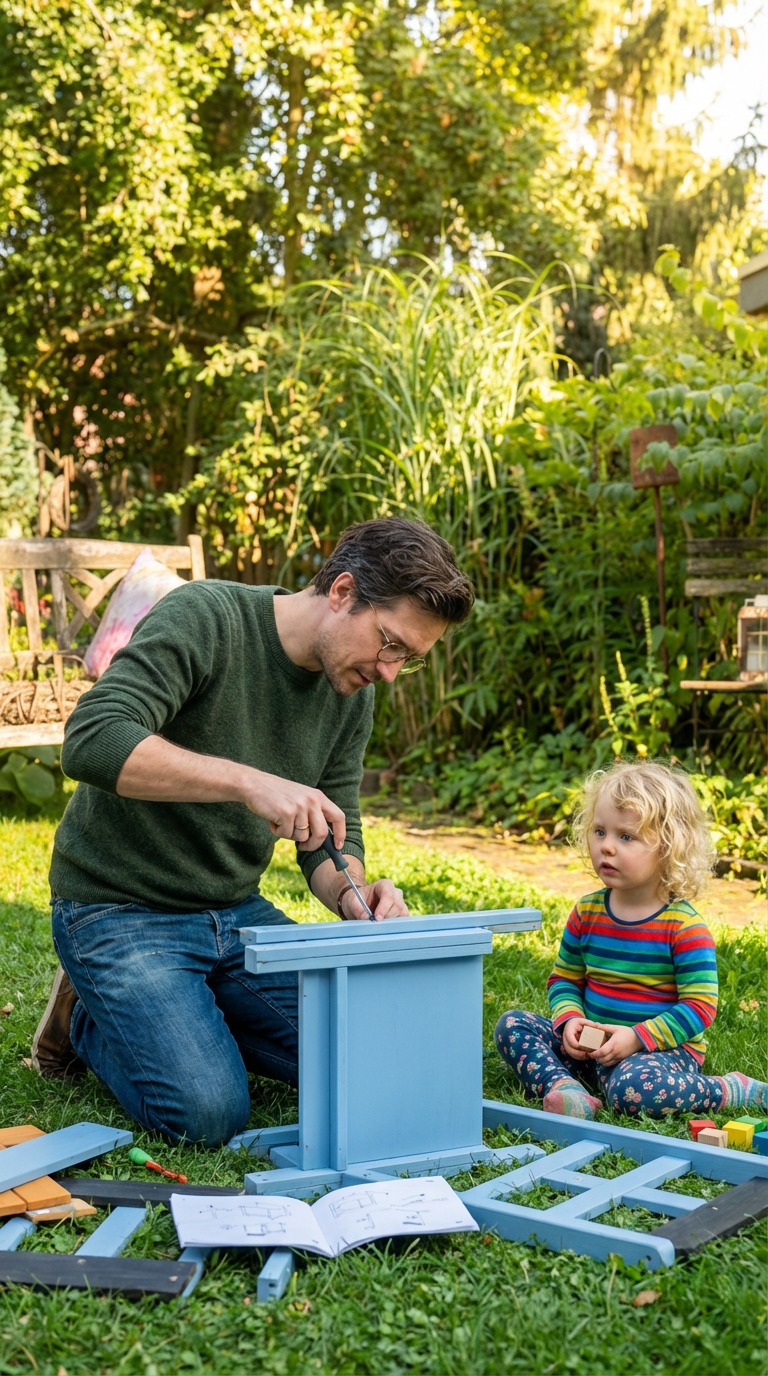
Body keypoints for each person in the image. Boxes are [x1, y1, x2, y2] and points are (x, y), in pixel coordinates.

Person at [32, 516, 475, 1145]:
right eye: (391, 643)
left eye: (410, 659)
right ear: (344, 592)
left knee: (380, 1058)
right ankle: (88, 1017)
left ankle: (186, 1015)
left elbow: (332, 829)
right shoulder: (208, 617)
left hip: (236, 915)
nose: (390, 671)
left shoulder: (351, 689)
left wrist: (353, 892)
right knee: (207, 1114)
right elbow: (93, 739)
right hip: (118, 907)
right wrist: (248, 781)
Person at [495, 760, 768, 1120]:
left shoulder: (682, 925)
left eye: (626, 837)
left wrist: (637, 1037)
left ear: (668, 847)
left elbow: (700, 1006)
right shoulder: (586, 911)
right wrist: (569, 1019)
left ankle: (729, 1089)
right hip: (590, 1051)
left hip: (657, 1054)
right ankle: (565, 1088)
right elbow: (565, 980)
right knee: (513, 1025)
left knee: (632, 1091)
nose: (606, 847)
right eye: (599, 831)